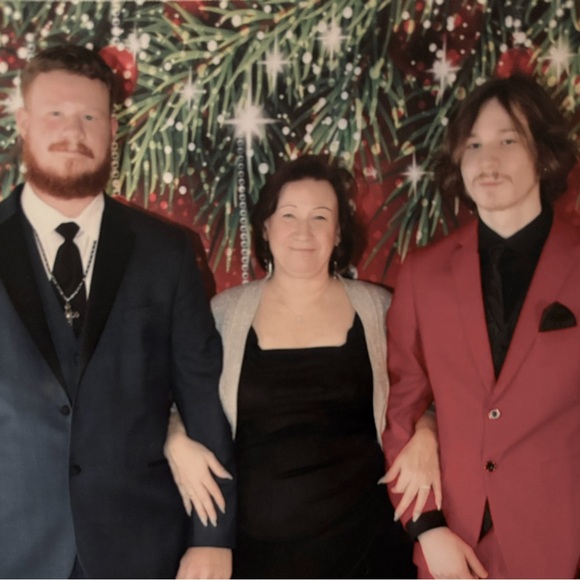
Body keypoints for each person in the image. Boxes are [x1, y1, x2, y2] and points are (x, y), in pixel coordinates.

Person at [0, 44, 235, 578]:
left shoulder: (167, 252)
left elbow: (201, 396)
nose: (73, 132)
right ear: (24, 123)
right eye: (55, 113)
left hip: (141, 547)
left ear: (112, 129)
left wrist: (212, 537)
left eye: (89, 117)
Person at [165, 155, 442, 578]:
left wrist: (427, 431)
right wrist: (174, 439)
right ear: (265, 227)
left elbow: (424, 395)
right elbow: (180, 402)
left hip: (366, 547)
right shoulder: (223, 315)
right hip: (255, 551)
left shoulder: (380, 310)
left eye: (320, 217)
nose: (303, 231)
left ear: (338, 232)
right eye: (288, 215)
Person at [383, 74, 580, 579]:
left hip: (563, 547)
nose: (487, 161)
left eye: (507, 141)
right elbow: (404, 409)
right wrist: (427, 530)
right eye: (473, 145)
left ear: (544, 154)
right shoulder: (422, 275)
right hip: (453, 547)